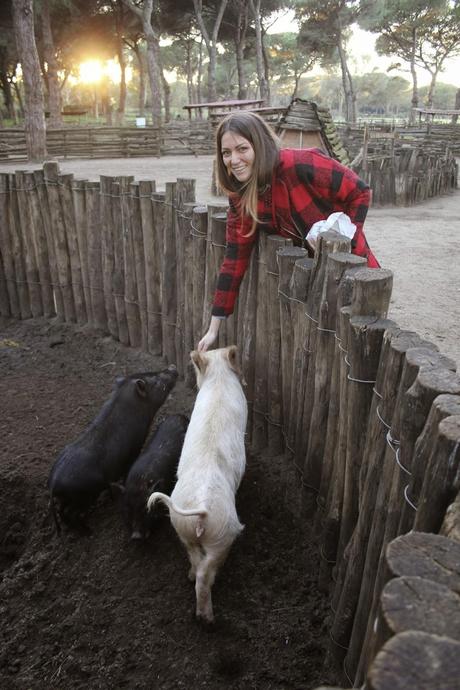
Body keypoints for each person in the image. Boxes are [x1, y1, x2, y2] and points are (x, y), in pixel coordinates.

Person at [198, 111, 379, 352]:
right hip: (311, 285)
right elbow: (234, 259)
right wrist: (214, 328)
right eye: (226, 153)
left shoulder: (299, 164)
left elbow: (360, 191)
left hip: (354, 270)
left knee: (363, 345)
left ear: (259, 145)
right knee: (327, 349)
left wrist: (342, 238)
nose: (234, 159)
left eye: (242, 149)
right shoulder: (241, 197)